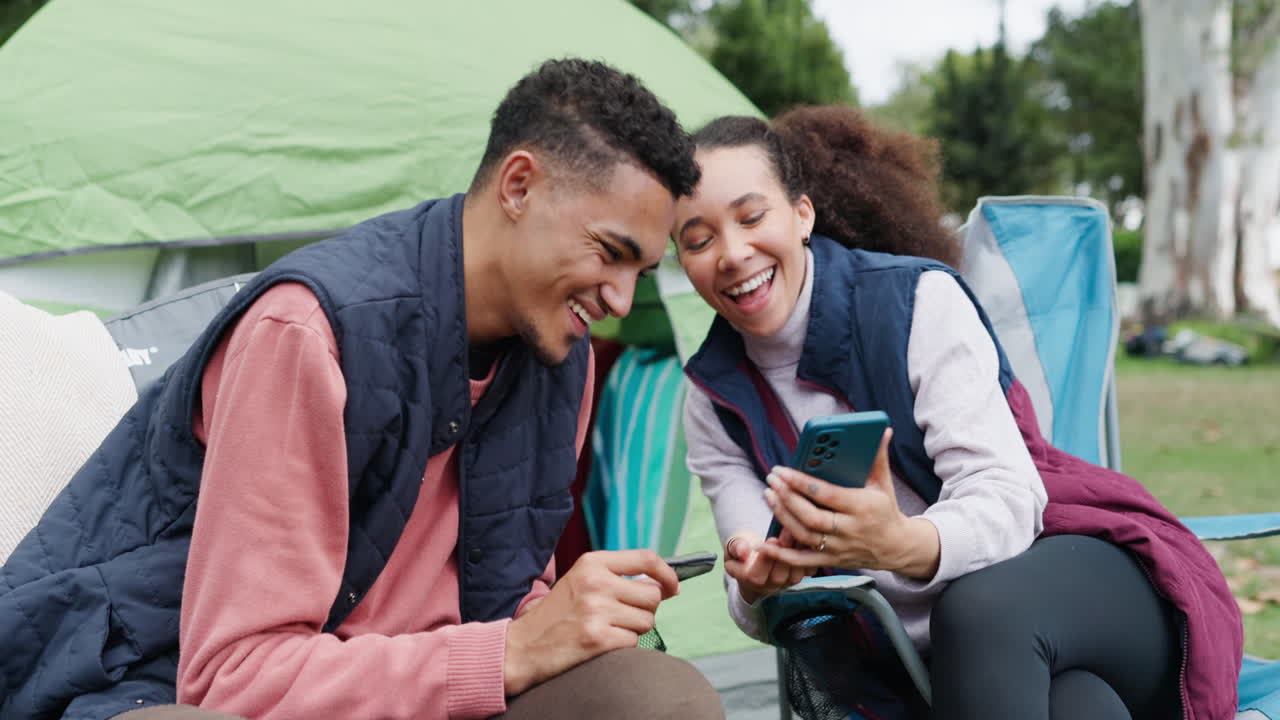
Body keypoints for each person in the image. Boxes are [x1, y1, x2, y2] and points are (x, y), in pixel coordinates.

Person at [0, 58, 725, 720]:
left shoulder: (561, 357)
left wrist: (564, 623)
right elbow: (234, 681)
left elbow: (509, 595)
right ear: (518, 186)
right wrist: (510, 652)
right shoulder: (307, 331)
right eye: (608, 252)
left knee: (657, 697)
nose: (621, 300)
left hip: (427, 687)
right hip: (169, 685)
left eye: (640, 272)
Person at [672, 106, 1242, 720]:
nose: (732, 253)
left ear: (802, 214)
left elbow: (1005, 497)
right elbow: (749, 577)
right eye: (699, 241)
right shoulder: (712, 399)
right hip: (962, 669)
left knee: (978, 610)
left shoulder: (916, 302)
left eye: (752, 217)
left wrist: (900, 543)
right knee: (1077, 706)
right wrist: (756, 580)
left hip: (1087, 584)